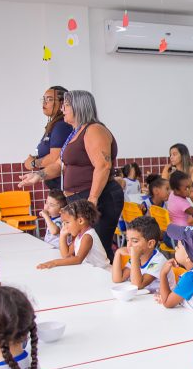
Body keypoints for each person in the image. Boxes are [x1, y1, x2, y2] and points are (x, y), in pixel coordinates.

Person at [17, 90, 122, 261]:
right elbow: (59, 164)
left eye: (66, 105)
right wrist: (38, 175)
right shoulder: (75, 132)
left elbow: (103, 166)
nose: (63, 109)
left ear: (79, 108)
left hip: (97, 198)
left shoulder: (94, 130)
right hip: (79, 199)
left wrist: (93, 199)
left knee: (97, 250)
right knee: (83, 249)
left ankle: (109, 282)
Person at [22, 86, 72, 191]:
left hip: (64, 186)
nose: (44, 103)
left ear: (62, 103)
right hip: (57, 186)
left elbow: (55, 158)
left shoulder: (61, 125)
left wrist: (33, 163)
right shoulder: (54, 125)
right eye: (43, 99)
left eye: (49, 99)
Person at [36, 200, 109, 271]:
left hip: (104, 273)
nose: (65, 226)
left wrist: (54, 263)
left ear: (80, 221)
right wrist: (62, 235)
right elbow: (66, 256)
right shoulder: (79, 236)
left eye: (67, 222)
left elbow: (78, 259)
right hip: (93, 272)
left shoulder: (87, 236)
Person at [112, 215, 168, 293]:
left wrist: (135, 258)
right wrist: (118, 253)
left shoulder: (158, 261)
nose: (129, 245)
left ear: (150, 244)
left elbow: (137, 286)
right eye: (127, 240)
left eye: (135, 241)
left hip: (156, 302)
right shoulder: (138, 256)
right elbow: (118, 279)